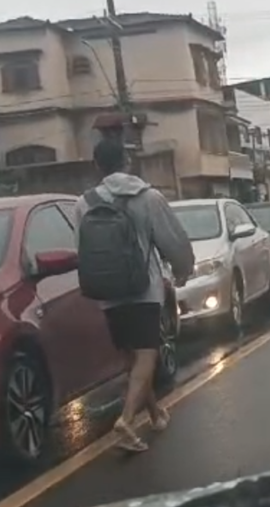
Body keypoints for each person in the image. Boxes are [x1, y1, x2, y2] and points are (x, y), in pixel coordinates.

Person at [73, 137, 195, 452]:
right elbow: (172, 240)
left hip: (107, 292)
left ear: (97, 166)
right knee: (148, 354)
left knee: (132, 355)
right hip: (143, 289)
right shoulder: (148, 197)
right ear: (127, 162)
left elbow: (82, 249)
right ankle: (126, 420)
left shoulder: (83, 202)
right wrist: (183, 269)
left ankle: (154, 414)